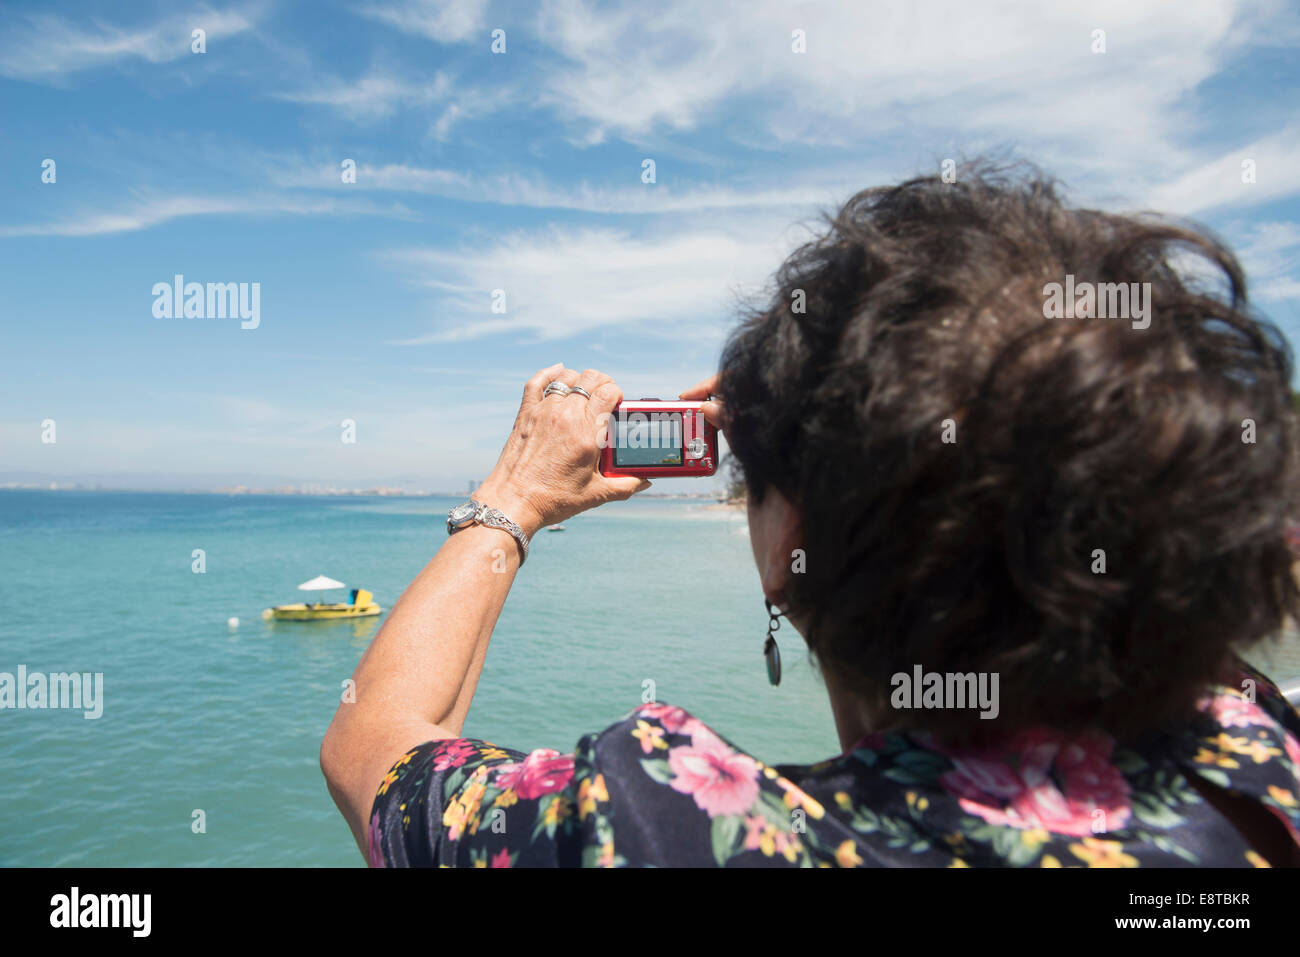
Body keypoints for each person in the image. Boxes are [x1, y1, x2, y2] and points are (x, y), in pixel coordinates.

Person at [321, 163, 1300, 867]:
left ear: (792, 539)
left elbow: (373, 749)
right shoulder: (1258, 760)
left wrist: (513, 501)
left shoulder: (665, 830)